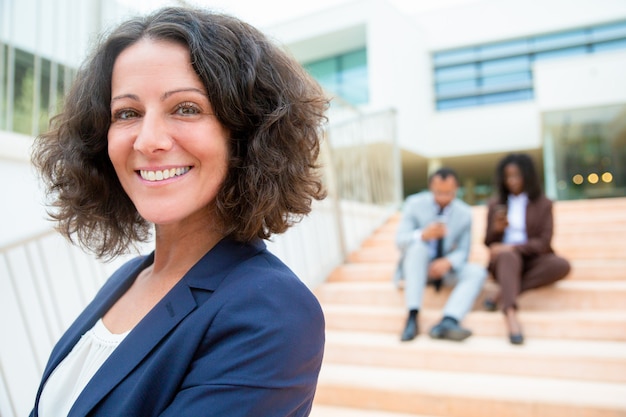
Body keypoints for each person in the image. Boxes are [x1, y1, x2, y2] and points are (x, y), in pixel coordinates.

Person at [29, 7, 328, 417]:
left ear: (244, 134)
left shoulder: (272, 311)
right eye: (127, 113)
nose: (147, 140)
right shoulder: (129, 277)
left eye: (186, 108)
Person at [483, 153, 571, 345]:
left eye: (517, 175)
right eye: (508, 176)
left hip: (532, 257)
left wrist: (514, 246)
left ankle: (502, 293)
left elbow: (544, 242)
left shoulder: (543, 204)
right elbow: (489, 242)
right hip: (505, 262)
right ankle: (510, 313)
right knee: (507, 256)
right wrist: (497, 231)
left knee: (561, 265)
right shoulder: (495, 204)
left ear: (528, 175)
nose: (512, 181)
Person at [395, 168, 487, 342]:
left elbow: (464, 251)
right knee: (417, 248)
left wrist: (448, 262)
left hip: (446, 271)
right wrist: (423, 235)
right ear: (430, 188)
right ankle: (412, 316)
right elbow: (399, 241)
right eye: (439, 192)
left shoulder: (465, 213)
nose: (444, 198)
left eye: (449, 193)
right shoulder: (414, 204)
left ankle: (448, 321)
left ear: (456, 189)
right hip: (416, 269)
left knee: (477, 272)